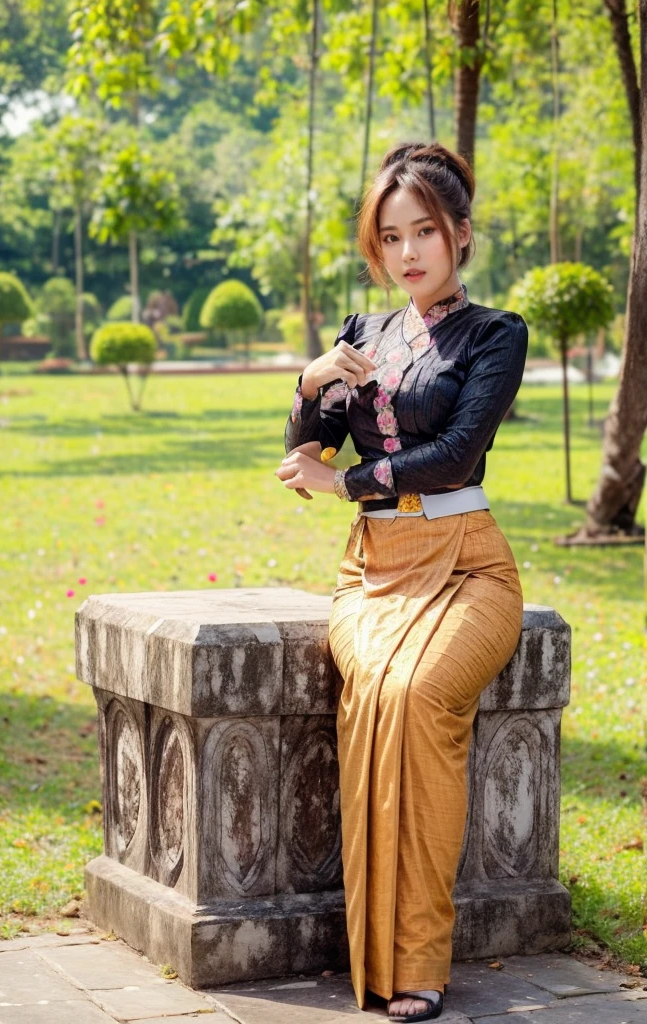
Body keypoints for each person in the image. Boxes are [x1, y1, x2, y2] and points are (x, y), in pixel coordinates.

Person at [275, 141, 528, 1024]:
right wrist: (310, 383)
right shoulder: (362, 335)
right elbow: (302, 449)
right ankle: (375, 957)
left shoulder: (495, 334)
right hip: (372, 573)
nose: (410, 251)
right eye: (391, 236)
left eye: (426, 230)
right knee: (376, 693)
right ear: (375, 249)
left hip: (468, 566)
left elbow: (454, 452)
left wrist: (344, 484)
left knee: (419, 695)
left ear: (460, 234)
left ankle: (417, 960)